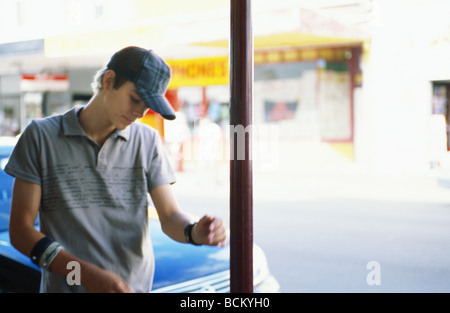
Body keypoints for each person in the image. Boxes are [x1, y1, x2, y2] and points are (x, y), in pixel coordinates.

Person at [5, 46, 228, 293]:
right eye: (135, 99)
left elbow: (170, 217)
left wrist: (196, 231)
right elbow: (21, 232)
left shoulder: (147, 140)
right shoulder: (41, 136)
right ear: (108, 80)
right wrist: (85, 276)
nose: (140, 112)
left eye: (147, 106)